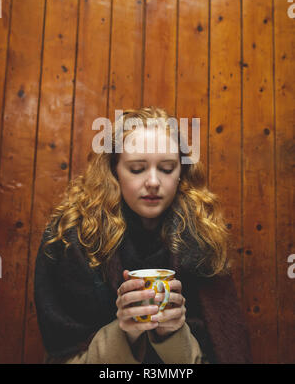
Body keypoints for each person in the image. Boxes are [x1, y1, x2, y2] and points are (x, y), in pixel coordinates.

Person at [34, 106, 252, 364]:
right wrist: (125, 332)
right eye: (137, 169)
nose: (153, 182)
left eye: (167, 168)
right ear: (113, 172)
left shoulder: (202, 237)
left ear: (182, 173)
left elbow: (219, 353)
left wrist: (172, 332)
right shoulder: (73, 239)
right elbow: (65, 354)